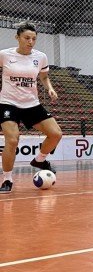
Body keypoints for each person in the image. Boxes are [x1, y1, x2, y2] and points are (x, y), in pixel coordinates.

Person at [0, 22, 62, 193]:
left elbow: (44, 77)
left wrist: (49, 88)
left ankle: (39, 160)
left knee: (56, 134)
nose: (31, 41)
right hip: (8, 102)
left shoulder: (40, 57)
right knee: (12, 140)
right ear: (17, 37)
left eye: (34, 38)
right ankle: (7, 180)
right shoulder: (4, 55)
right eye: (27, 38)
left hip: (31, 103)